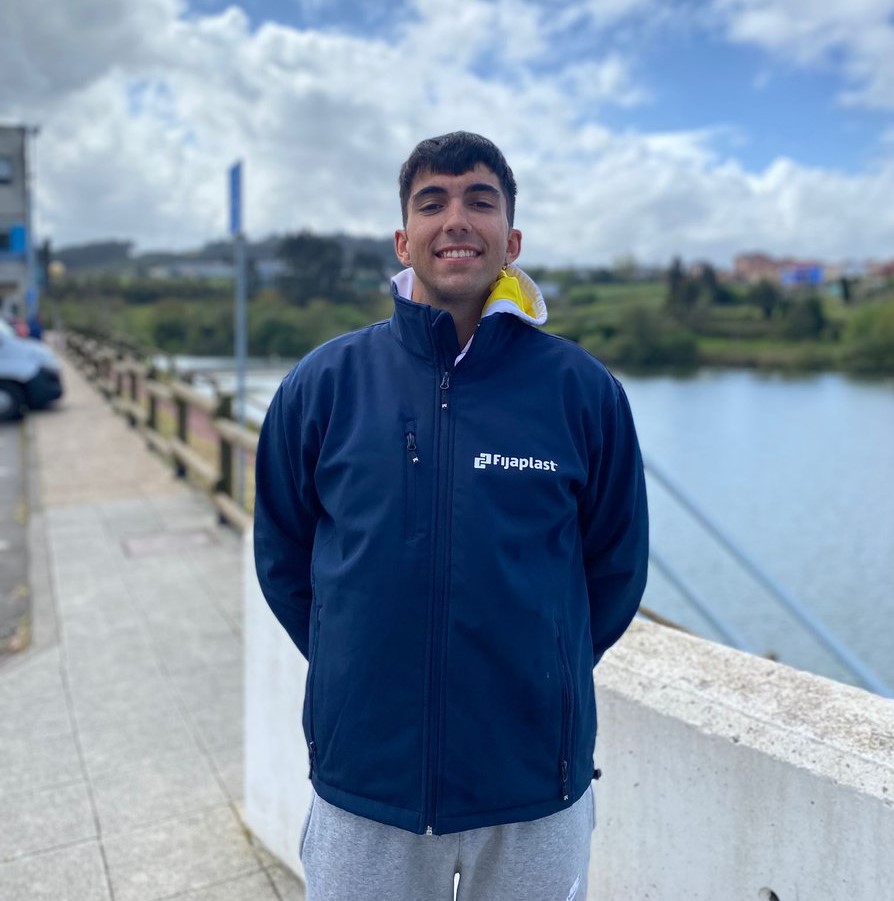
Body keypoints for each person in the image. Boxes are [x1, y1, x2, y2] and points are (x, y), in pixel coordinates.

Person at [254, 131, 649, 901]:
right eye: (431, 202)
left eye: (480, 201)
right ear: (404, 239)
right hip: (367, 780)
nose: (456, 219)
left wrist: (540, 670)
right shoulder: (324, 384)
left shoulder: (582, 391)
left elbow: (615, 569)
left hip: (534, 783)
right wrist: (357, 663)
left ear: (512, 240)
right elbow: (284, 555)